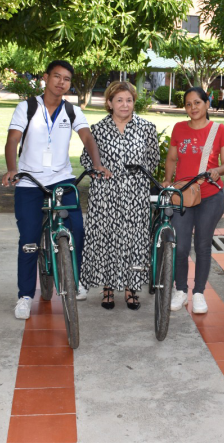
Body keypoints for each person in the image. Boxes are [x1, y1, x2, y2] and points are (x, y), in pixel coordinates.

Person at [2, 60, 107, 320]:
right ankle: (25, 296)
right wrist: (12, 168)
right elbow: (13, 139)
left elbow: (87, 137)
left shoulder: (71, 111)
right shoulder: (26, 107)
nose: (61, 82)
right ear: (46, 77)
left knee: (78, 230)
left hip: (62, 180)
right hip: (29, 182)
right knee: (28, 241)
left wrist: (97, 164)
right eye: (57, 76)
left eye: (67, 79)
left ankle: (76, 280)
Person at [79, 81, 159, 310]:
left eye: (129, 100)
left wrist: (134, 180)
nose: (125, 104)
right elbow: (86, 160)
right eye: (119, 100)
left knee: (134, 240)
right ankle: (108, 288)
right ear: (109, 103)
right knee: (106, 239)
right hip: (105, 194)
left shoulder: (147, 128)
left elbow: (152, 162)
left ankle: (131, 289)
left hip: (135, 194)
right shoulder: (97, 129)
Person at [162, 87, 224, 314]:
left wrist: (216, 170)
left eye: (197, 103)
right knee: (180, 246)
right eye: (188, 104)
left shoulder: (219, 130)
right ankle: (180, 290)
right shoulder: (179, 128)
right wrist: (167, 180)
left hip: (210, 195)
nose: (193, 108)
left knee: (203, 245)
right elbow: (172, 158)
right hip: (183, 196)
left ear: (207, 104)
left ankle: (199, 293)